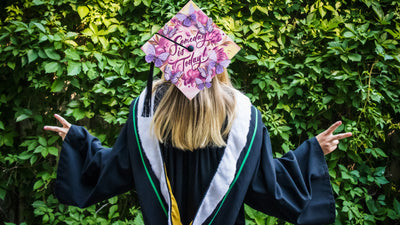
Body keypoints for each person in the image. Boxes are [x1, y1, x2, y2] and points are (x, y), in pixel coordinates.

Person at [44, 69, 352, 225]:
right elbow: (267, 183)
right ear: (219, 64)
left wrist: (78, 142)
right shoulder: (244, 118)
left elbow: (116, 168)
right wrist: (312, 151)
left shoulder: (146, 114)